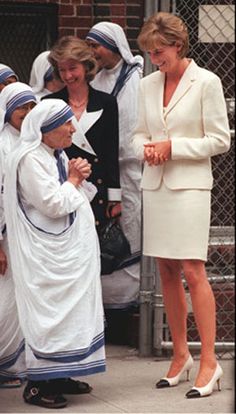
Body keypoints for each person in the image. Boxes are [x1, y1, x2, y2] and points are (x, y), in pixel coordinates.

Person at [132, 12, 231, 398]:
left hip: (190, 187)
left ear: (178, 44)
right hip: (155, 185)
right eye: (151, 54)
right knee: (166, 271)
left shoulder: (207, 81)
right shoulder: (146, 86)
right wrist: (149, 150)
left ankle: (210, 360)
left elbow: (219, 140)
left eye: (160, 52)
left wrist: (174, 148)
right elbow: (138, 133)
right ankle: (180, 356)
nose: (156, 59)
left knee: (193, 269)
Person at [3, 99, 106, 409]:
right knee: (49, 316)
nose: (73, 129)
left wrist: (78, 177)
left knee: (70, 314)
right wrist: (74, 180)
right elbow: (52, 203)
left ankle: (61, 373)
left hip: (65, 256)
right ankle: (38, 385)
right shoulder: (29, 158)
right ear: (46, 129)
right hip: (45, 258)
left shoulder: (54, 154)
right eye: (67, 124)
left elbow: (73, 195)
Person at [86, 22, 143, 319]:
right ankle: (106, 305)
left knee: (130, 229)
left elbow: (132, 125)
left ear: (114, 45)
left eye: (97, 46)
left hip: (131, 169)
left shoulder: (136, 77)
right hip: (103, 170)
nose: (94, 52)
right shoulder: (95, 79)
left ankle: (132, 301)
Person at [45, 36, 121, 232]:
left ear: (86, 67)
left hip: (97, 191)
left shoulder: (107, 103)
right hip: (62, 189)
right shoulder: (49, 103)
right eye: (62, 69)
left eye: (73, 68)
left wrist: (114, 198)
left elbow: (111, 153)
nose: (68, 75)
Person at [0, 82, 37, 388]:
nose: (25, 114)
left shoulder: (32, 140)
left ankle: (17, 365)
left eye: (30, 107)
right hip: (6, 237)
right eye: (20, 108)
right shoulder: (2, 144)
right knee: (7, 303)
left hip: (28, 236)